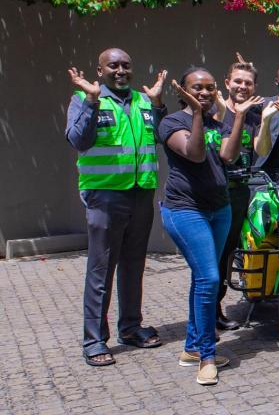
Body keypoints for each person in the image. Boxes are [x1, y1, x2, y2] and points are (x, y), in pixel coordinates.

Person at [66, 48, 167, 367]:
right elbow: (78, 140)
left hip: (141, 193)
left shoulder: (142, 100)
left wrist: (158, 105)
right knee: (101, 268)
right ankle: (94, 339)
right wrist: (93, 101)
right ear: (100, 70)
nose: (121, 70)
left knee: (134, 264)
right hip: (105, 195)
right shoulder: (84, 98)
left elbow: (162, 136)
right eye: (113, 66)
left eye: (126, 64)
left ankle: (131, 327)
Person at [161, 67, 247, 384]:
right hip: (185, 211)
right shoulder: (171, 123)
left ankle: (190, 348)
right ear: (182, 90)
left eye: (210, 88)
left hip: (219, 209)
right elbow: (195, 154)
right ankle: (207, 357)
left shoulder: (217, 122)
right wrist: (196, 113)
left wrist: (237, 117)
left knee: (203, 278)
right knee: (210, 278)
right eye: (197, 88)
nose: (205, 93)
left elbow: (227, 156)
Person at [213, 61, 264, 331]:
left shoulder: (254, 117)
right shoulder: (214, 111)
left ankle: (216, 310)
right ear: (227, 83)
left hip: (240, 192)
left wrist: (265, 121)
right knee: (212, 257)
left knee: (227, 254)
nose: (242, 86)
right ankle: (207, 315)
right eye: (238, 81)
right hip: (214, 194)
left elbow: (260, 150)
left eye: (248, 82)